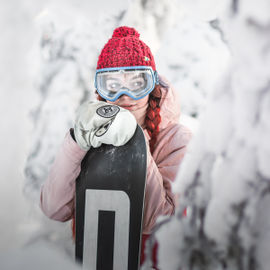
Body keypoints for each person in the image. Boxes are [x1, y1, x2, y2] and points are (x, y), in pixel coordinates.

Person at [40, 26, 192, 268]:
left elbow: (164, 222)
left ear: (151, 84)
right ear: (101, 91)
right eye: (112, 84)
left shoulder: (177, 140)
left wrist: (135, 140)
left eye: (136, 82)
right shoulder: (92, 135)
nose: (125, 96)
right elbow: (54, 209)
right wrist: (77, 142)